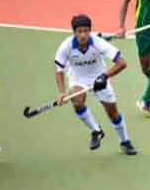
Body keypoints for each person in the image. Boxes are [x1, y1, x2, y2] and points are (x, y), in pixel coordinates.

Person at [54, 14, 137, 155]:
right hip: (78, 79)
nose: (83, 35)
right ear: (74, 32)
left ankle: (125, 141)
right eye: (79, 31)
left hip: (99, 77)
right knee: (77, 100)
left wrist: (104, 76)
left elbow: (122, 63)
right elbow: (59, 70)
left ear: (90, 31)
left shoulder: (98, 43)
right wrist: (62, 92)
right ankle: (96, 131)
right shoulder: (66, 46)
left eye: (86, 31)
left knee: (113, 113)